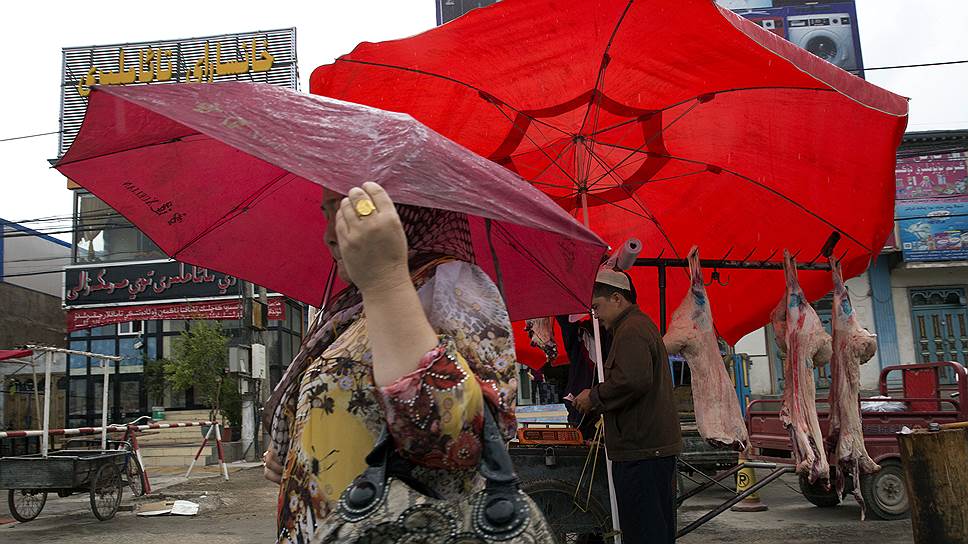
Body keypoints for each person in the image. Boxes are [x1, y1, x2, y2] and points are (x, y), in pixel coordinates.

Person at [261, 182, 519, 543]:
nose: (329, 235)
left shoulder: (446, 283)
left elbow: (458, 440)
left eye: (346, 208)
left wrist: (385, 279)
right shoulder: (349, 308)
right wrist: (297, 456)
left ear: (406, 210)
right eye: (327, 212)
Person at [572, 268, 682, 544]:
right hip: (645, 448)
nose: (595, 315)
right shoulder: (634, 327)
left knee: (646, 533)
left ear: (617, 299)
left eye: (597, 307)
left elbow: (632, 381)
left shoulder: (632, 329)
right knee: (653, 530)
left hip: (642, 450)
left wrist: (593, 397)